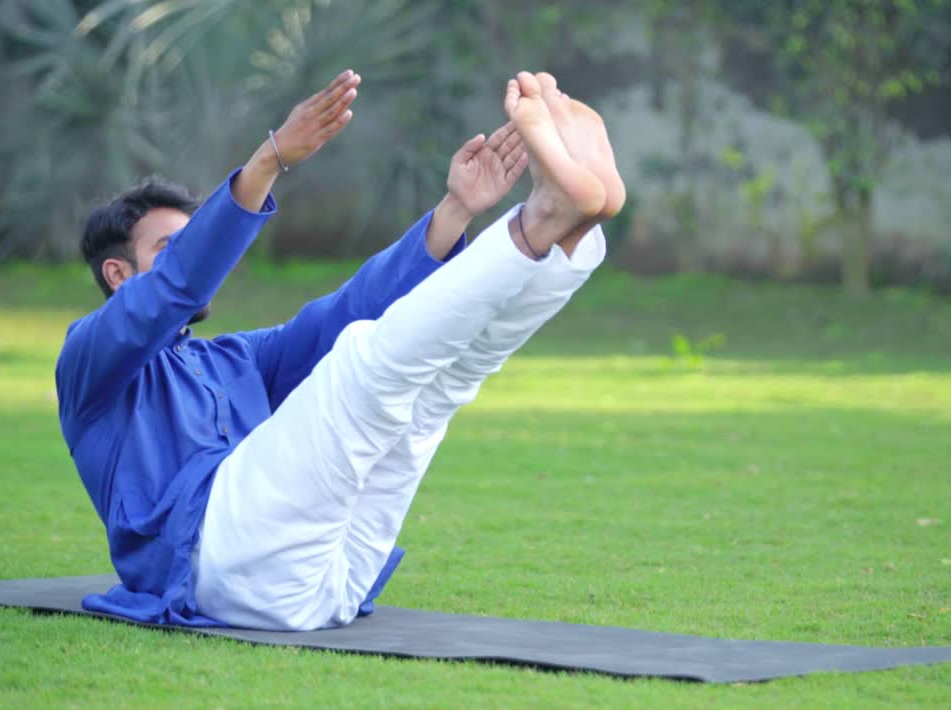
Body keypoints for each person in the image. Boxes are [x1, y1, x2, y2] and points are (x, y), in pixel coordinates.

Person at [56, 69, 625, 631]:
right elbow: (178, 283)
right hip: (214, 567)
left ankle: (570, 238)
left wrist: (455, 211)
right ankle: (544, 218)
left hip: (327, 582)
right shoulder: (89, 362)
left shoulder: (232, 361)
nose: (194, 254)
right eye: (174, 245)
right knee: (365, 360)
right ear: (117, 273)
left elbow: (349, 309)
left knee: (436, 387)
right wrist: (268, 161)